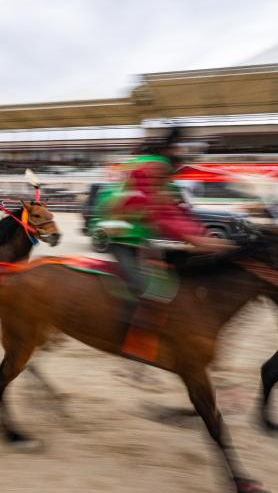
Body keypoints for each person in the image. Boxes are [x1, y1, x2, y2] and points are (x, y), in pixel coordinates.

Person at [100, 128, 234, 350]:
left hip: (138, 239)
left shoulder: (157, 171)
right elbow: (159, 213)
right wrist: (196, 238)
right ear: (167, 151)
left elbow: (175, 211)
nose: (182, 158)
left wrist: (202, 235)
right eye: (178, 152)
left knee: (169, 281)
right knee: (143, 287)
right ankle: (125, 337)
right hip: (121, 239)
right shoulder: (150, 169)